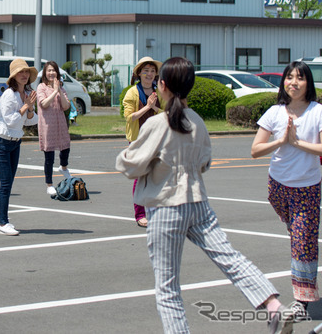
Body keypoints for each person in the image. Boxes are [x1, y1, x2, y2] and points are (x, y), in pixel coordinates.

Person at [116, 57, 295, 334]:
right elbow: (205, 162)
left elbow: (131, 165)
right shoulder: (197, 121)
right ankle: (273, 307)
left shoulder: (158, 124)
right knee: (229, 257)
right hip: (198, 203)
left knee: (167, 288)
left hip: (165, 207)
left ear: (162, 85)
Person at [251, 61, 322, 317]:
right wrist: (281, 141)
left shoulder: (317, 112)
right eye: (289, 77)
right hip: (277, 187)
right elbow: (255, 150)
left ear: (308, 83)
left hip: (307, 188)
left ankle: (302, 301)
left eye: (300, 78)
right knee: (298, 233)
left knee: (303, 241)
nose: (294, 82)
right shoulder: (274, 112)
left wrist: (298, 142)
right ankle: (301, 230)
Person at [0, 58, 38, 236]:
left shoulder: (25, 93)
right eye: (21, 72)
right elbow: (10, 121)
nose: (24, 75)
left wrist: (30, 107)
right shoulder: (9, 95)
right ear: (13, 76)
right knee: (6, 183)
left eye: (26, 72)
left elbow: (32, 121)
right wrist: (26, 106)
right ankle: (3, 223)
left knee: (8, 183)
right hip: (1, 142)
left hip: (15, 142)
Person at [122, 56, 163, 228]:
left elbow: (167, 113)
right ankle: (140, 214)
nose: (149, 74)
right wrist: (147, 107)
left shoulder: (160, 91)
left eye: (152, 71)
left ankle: (154, 212)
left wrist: (154, 108)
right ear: (139, 73)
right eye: (146, 71)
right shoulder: (132, 92)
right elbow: (129, 117)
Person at [37, 61, 72, 196]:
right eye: (49, 70)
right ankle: (49, 184)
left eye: (54, 70)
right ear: (45, 73)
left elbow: (65, 106)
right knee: (49, 156)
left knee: (66, 147)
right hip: (47, 125)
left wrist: (59, 90)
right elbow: (44, 104)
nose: (51, 73)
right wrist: (54, 91)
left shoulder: (61, 88)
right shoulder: (41, 87)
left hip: (60, 123)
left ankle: (63, 167)